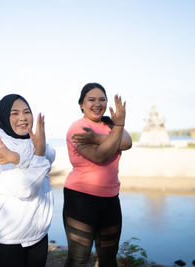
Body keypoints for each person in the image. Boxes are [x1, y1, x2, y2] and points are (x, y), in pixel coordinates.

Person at [0, 94, 55, 267]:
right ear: (3, 117)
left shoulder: (31, 141)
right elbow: (25, 189)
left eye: (26, 112)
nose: (23, 118)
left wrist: (17, 158)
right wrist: (36, 154)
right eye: (14, 113)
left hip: (35, 236)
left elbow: (50, 154)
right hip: (2, 239)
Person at [63, 83, 132, 267]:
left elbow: (127, 142)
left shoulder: (110, 124)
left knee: (109, 258)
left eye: (102, 99)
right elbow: (100, 155)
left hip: (110, 200)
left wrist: (99, 136)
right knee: (78, 259)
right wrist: (116, 131)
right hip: (80, 201)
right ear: (81, 104)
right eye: (91, 99)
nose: (97, 104)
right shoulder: (77, 128)